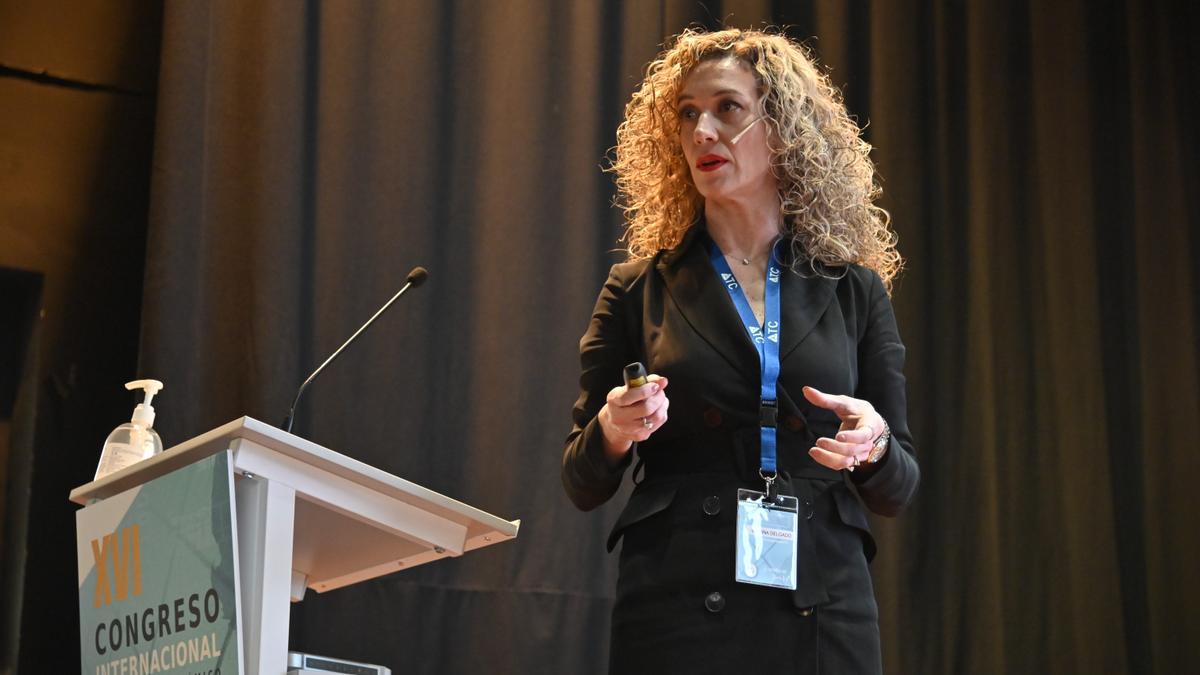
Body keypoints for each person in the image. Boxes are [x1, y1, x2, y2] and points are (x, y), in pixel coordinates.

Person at [561, 27, 920, 674]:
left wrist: (874, 445)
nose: (702, 130)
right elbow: (581, 479)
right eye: (688, 114)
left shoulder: (853, 289)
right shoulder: (637, 288)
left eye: (726, 108)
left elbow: (898, 487)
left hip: (822, 602)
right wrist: (613, 429)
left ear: (780, 127)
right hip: (675, 602)